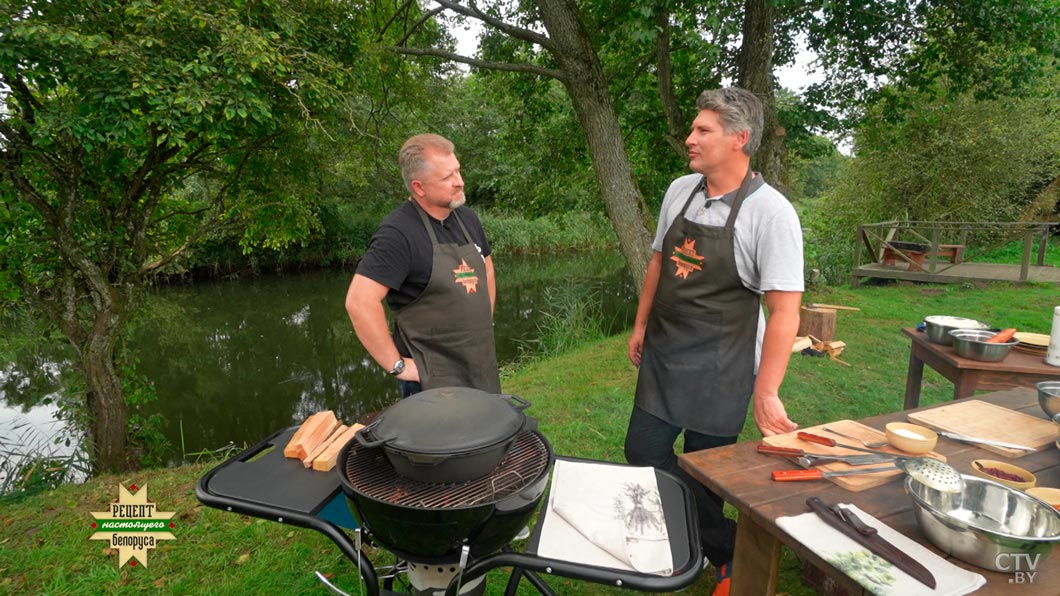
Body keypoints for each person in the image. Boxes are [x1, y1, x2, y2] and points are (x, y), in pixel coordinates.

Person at [625, 88, 804, 596]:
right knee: (642, 451)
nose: (690, 139)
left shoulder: (771, 213)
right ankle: (697, 539)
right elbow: (659, 261)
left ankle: (718, 552)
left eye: (703, 130)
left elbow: (785, 311)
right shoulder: (680, 190)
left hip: (722, 366)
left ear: (739, 139)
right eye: (694, 129)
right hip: (665, 352)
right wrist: (640, 326)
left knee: (706, 475)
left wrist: (767, 391)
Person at [345, 133, 500, 396]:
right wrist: (397, 365)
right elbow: (359, 302)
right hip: (432, 381)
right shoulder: (397, 234)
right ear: (419, 187)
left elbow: (486, 270)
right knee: (442, 437)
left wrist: (482, 323)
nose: (459, 182)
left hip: (479, 363)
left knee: (488, 434)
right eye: (447, 177)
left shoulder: (467, 219)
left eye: (458, 171)